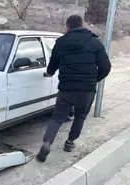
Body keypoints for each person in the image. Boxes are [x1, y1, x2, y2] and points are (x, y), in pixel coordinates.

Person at [36, 15, 111, 163]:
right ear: (82, 25)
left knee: (57, 117)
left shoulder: (60, 43)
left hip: (66, 88)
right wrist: (93, 80)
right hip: (86, 90)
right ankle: (70, 142)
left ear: (67, 27)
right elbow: (106, 67)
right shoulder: (94, 42)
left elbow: (52, 66)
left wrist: (48, 73)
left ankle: (47, 142)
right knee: (80, 116)